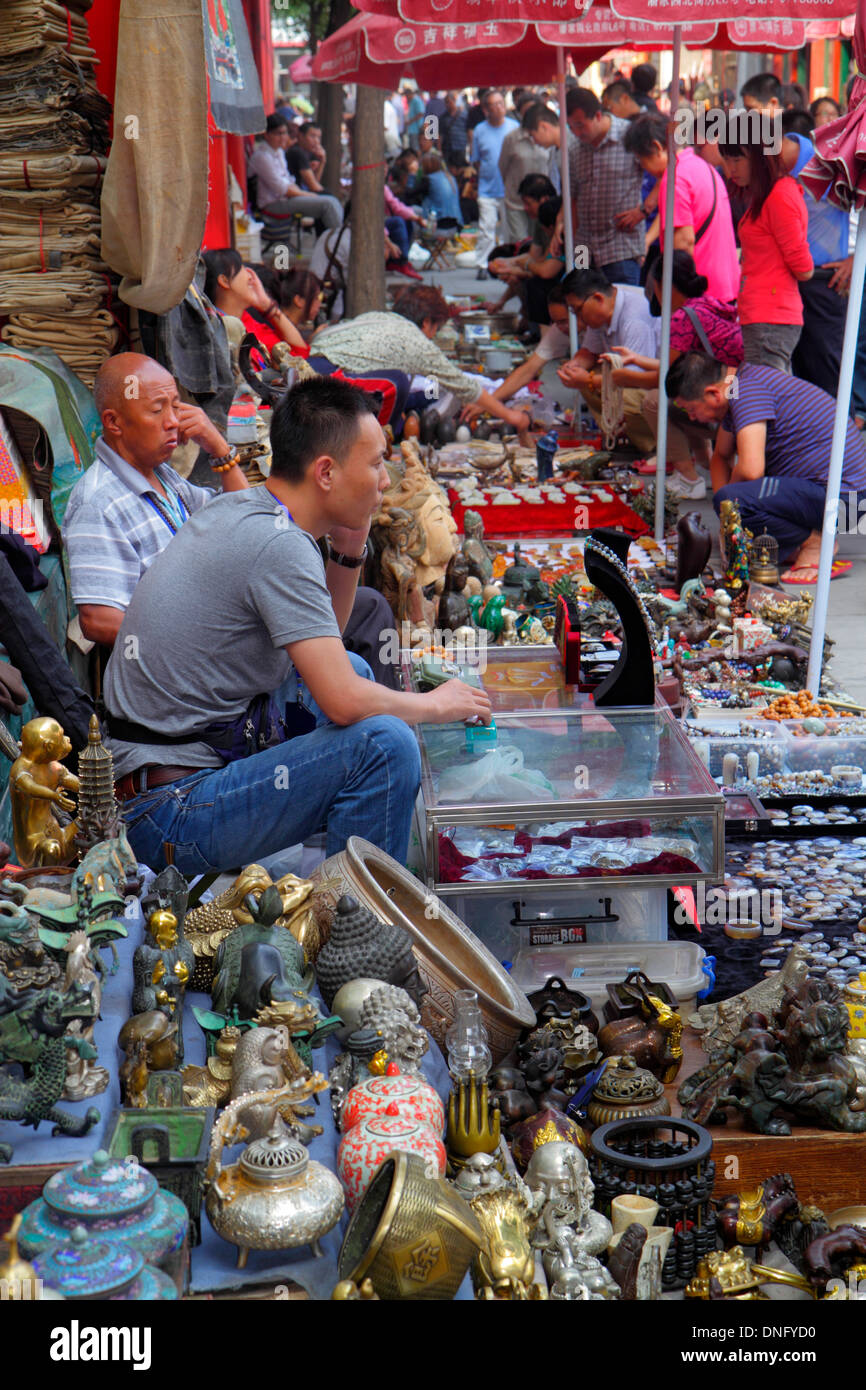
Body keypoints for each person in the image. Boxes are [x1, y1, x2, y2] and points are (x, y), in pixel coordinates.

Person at [101, 377, 491, 874]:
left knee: (351, 668)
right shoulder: (278, 545)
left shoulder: (250, 510)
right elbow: (342, 699)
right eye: (375, 465)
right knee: (386, 746)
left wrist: (350, 547)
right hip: (166, 813)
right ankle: (352, 928)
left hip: (159, 771)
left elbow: (326, 643)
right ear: (325, 472)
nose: (385, 482)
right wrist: (435, 704)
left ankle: (341, 848)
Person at [63, 354, 248, 649]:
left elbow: (242, 523)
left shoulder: (161, 475)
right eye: (157, 410)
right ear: (114, 422)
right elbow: (98, 620)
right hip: (177, 673)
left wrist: (219, 448)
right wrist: (203, 640)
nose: (173, 421)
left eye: (175, 407)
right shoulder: (98, 503)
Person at [668, 351, 866, 581]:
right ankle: (796, 540)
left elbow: (752, 469)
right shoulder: (738, 385)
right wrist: (726, 520)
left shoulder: (748, 391)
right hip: (830, 496)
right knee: (731, 500)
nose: (692, 418)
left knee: (733, 498)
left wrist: (729, 506)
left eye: (691, 410)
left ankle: (814, 542)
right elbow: (721, 456)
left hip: (847, 505)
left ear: (712, 394)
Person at [606, 249, 744, 498]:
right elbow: (677, 370)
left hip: (727, 405)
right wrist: (637, 360)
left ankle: (688, 479)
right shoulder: (704, 304)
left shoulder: (682, 318)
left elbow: (667, 380)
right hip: (735, 392)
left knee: (656, 401)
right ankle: (705, 464)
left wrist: (627, 378)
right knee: (680, 393)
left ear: (661, 285)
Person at [313, 284, 532, 431]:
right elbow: (464, 386)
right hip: (323, 375)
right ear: (427, 322)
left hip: (313, 362)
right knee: (395, 383)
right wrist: (511, 417)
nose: (434, 336)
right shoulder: (416, 341)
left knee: (400, 391)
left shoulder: (381, 316)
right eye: (436, 328)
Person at [719, 129, 812, 371]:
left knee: (763, 397)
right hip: (764, 315)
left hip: (771, 317)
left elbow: (804, 268)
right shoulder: (770, 195)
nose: (731, 169)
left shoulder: (779, 196)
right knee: (771, 395)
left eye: (737, 159)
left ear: (760, 156)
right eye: (727, 160)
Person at [623, 113, 740, 302]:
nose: (643, 167)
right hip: (724, 287)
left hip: (700, 297)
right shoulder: (700, 166)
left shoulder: (675, 179)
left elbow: (683, 244)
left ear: (657, 147)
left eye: (641, 159)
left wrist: (673, 299)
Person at [556, 267, 659, 453]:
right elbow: (589, 351)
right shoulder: (602, 311)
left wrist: (587, 380)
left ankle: (654, 445)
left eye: (578, 310)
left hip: (653, 386)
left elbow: (635, 379)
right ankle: (624, 434)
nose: (578, 319)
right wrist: (574, 366)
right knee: (588, 379)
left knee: (610, 390)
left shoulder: (634, 320)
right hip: (629, 377)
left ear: (598, 299)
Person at [460, 282, 572, 425]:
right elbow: (527, 370)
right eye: (555, 322)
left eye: (564, 321)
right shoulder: (559, 330)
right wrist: (488, 402)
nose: (561, 328)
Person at [565, 87, 645, 286]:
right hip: (583, 248)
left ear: (598, 116)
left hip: (621, 248)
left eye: (580, 125)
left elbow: (666, 173)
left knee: (622, 309)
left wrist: (645, 209)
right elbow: (572, 199)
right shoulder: (574, 147)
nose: (576, 132)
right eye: (571, 127)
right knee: (584, 307)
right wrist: (573, 247)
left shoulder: (629, 135)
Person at [455, 90, 518, 268]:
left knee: (508, 230)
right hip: (487, 188)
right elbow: (476, 160)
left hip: (509, 189)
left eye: (501, 103)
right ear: (486, 109)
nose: (499, 108)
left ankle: (508, 264)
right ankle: (483, 264)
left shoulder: (514, 127)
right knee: (486, 229)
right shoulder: (480, 131)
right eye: (494, 104)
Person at [203, 248, 308, 354]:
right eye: (242, 268)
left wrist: (267, 305)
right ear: (224, 281)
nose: (251, 276)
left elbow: (299, 353)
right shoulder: (218, 329)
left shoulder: (247, 320)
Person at [249, 114, 343, 230]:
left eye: (285, 133)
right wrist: (308, 195)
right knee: (328, 204)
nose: (283, 137)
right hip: (273, 205)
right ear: (267, 135)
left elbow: (288, 180)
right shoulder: (262, 157)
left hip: (287, 198)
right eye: (279, 133)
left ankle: (334, 241)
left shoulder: (278, 152)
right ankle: (338, 242)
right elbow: (283, 189)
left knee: (330, 200)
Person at [497, 92, 550, 242]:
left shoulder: (547, 135)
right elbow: (502, 167)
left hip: (541, 202)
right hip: (516, 200)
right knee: (520, 242)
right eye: (526, 111)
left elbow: (551, 166)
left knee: (540, 241)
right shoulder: (511, 139)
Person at [522, 101, 578, 198]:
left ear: (543, 127)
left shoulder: (574, 146)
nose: (534, 141)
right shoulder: (554, 150)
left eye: (532, 135)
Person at [420, 153, 462, 228]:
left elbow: (410, 194)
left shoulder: (428, 179)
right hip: (455, 225)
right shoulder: (450, 177)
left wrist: (412, 174)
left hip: (437, 225)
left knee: (412, 210)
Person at [286, 122, 328, 193]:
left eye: (318, 137)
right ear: (301, 136)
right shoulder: (297, 152)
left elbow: (314, 183)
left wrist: (322, 162)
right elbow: (314, 187)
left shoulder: (309, 154)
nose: (316, 141)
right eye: (312, 136)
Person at [439, 91, 469, 173]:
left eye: (449, 102)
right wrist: (439, 150)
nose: (447, 105)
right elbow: (440, 134)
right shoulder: (443, 117)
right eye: (446, 103)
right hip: (448, 148)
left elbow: (468, 131)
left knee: (461, 170)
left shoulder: (464, 115)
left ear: (454, 101)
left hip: (460, 146)